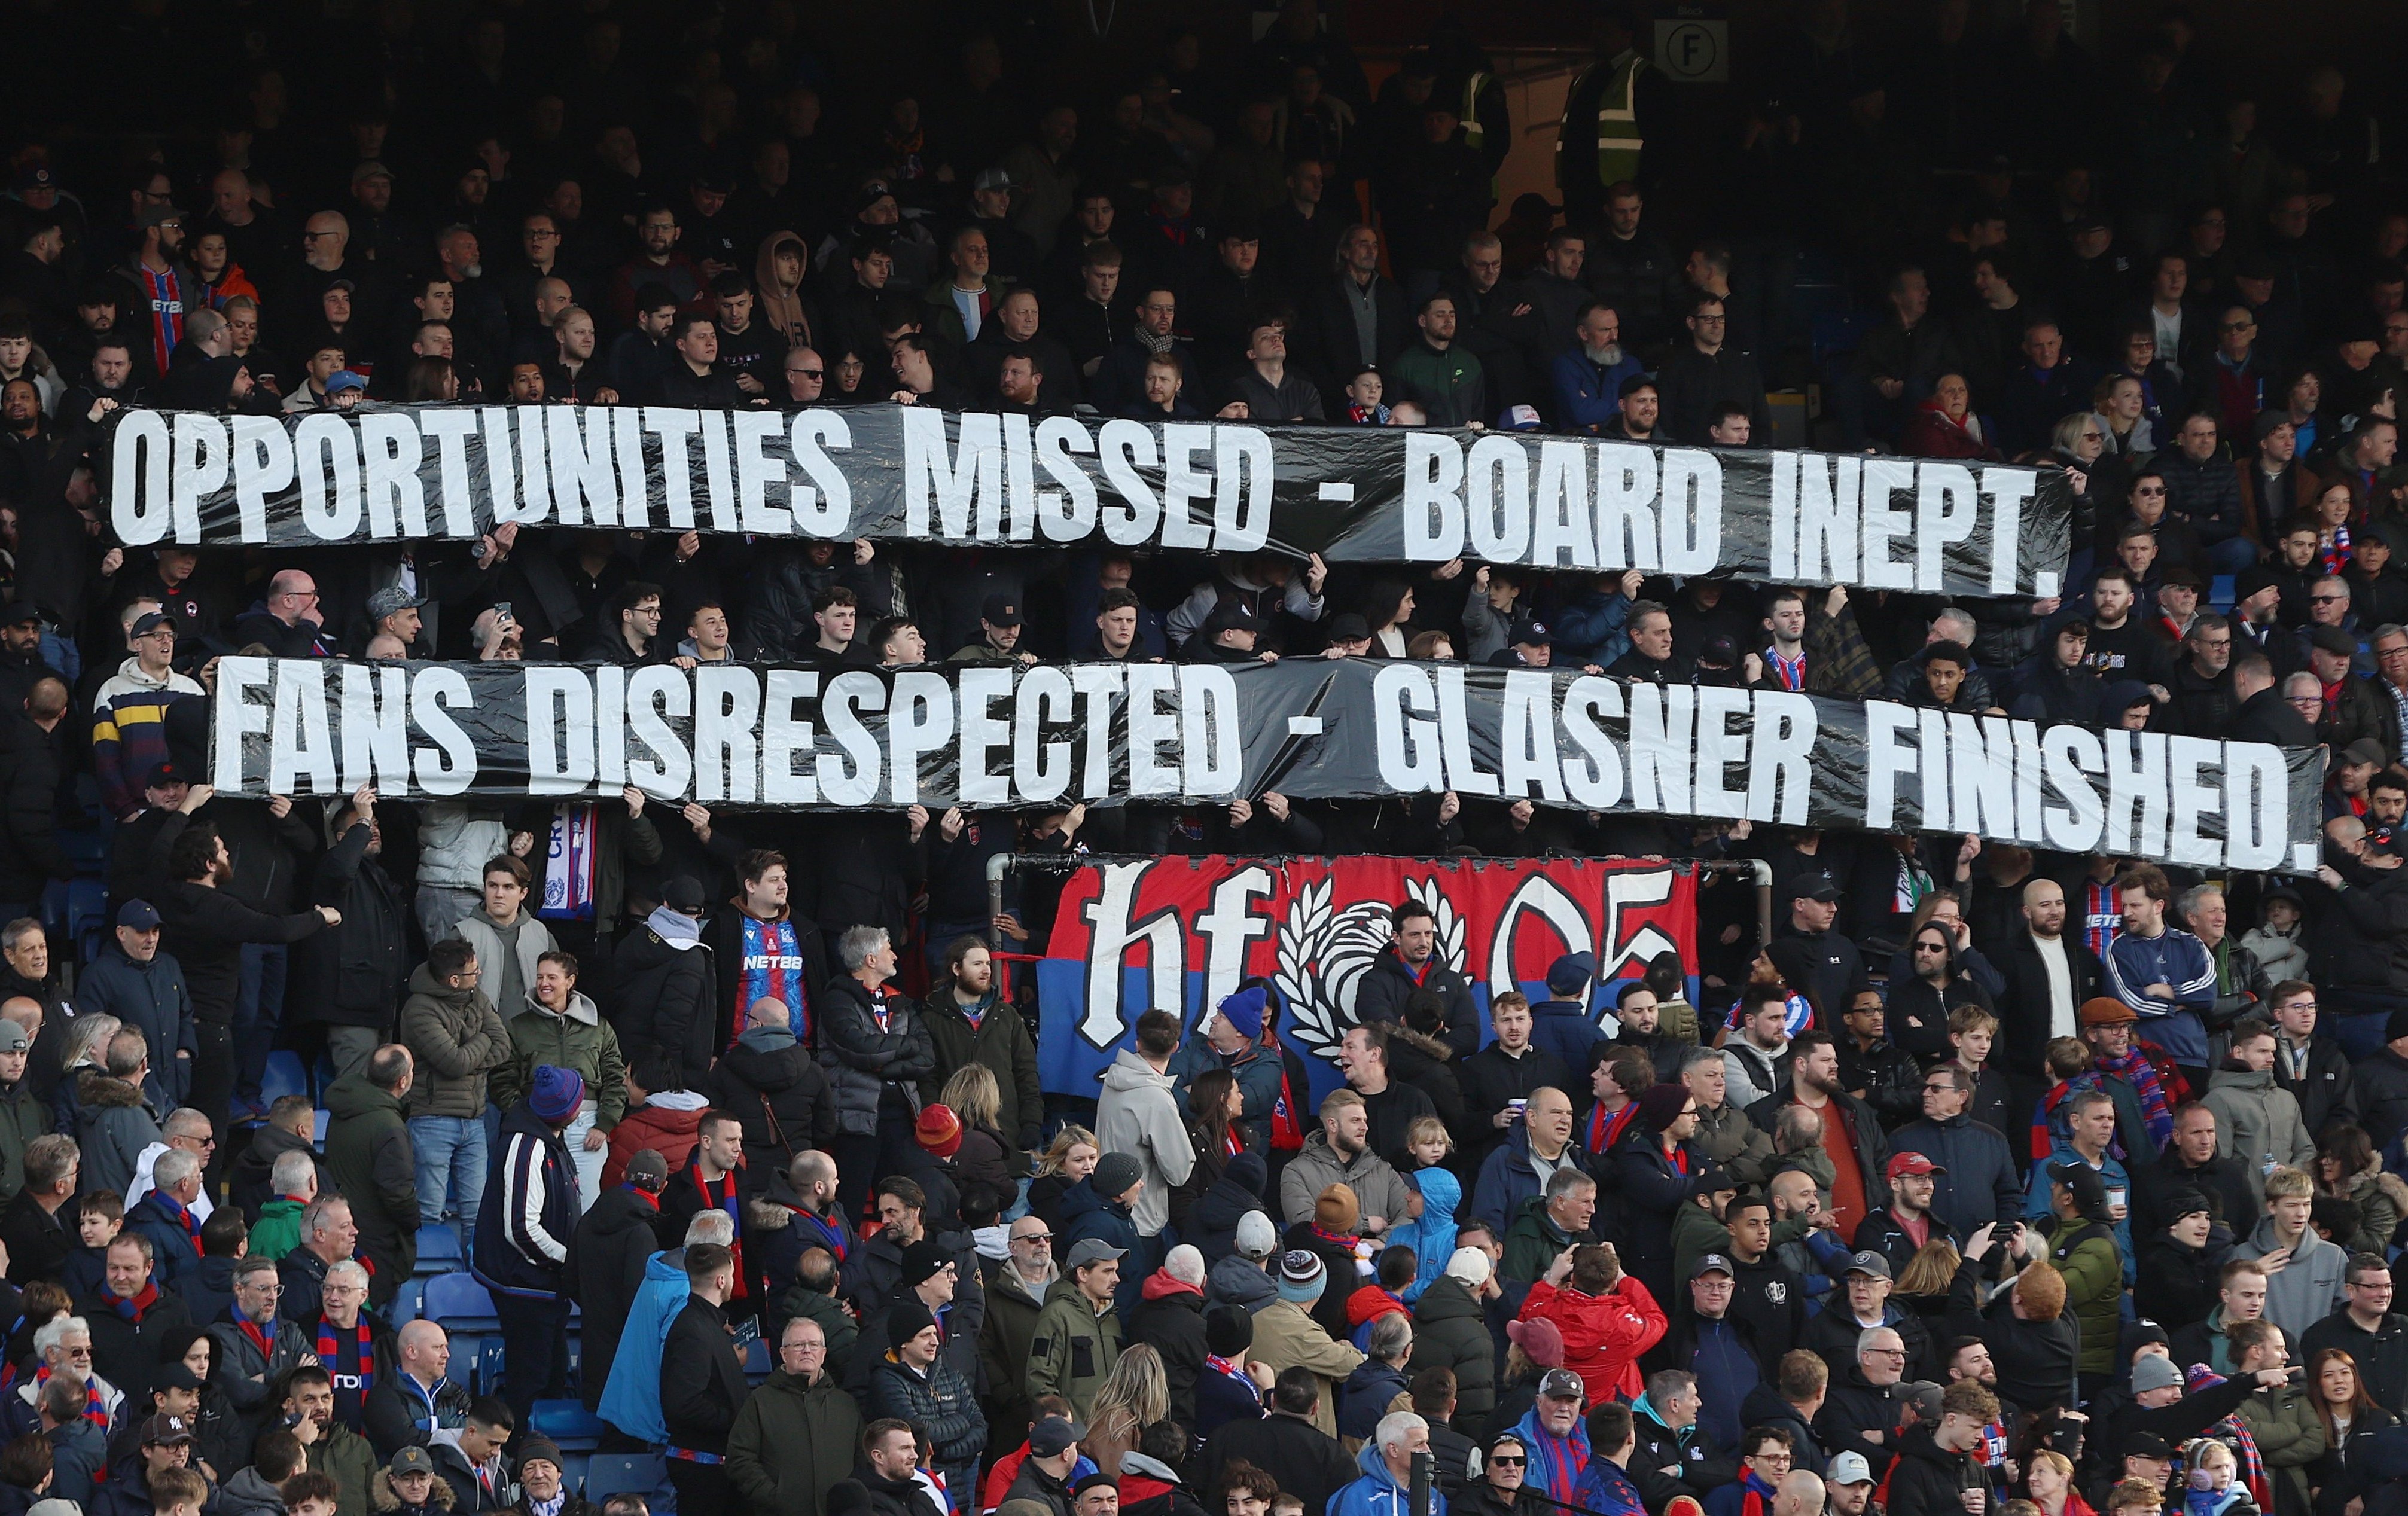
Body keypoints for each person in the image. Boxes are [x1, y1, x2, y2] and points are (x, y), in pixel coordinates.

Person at [473, 1064, 582, 1422]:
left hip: (548, 1285)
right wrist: (570, 1260)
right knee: (530, 1381)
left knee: (553, 1376)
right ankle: (518, 1454)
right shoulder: (526, 1146)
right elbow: (520, 1229)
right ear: (566, 1110)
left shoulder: (550, 1137)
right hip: (524, 1286)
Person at [399, 938, 511, 1240]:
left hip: (475, 1121)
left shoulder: (476, 997)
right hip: (432, 1121)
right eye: (475, 972)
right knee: (429, 1213)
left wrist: (471, 1049)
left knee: (477, 1216)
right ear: (454, 980)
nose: (479, 976)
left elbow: (504, 1047)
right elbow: (454, 1063)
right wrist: (483, 1039)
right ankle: (424, 1285)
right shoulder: (419, 1008)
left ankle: (472, 1284)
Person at [662, 1240, 752, 1513]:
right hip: (704, 1470)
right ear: (722, 1280)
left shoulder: (708, 1325)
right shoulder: (693, 1330)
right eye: (733, 1275)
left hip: (716, 1466)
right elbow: (684, 1404)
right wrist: (739, 1420)